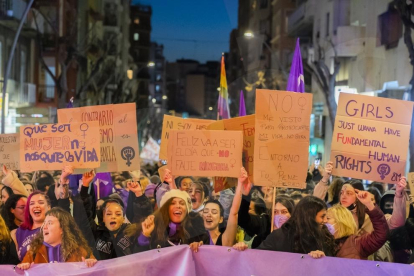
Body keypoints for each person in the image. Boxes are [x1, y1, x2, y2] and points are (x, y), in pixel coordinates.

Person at [234, 196, 336, 256]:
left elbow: (332, 267)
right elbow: (257, 257)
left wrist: (321, 258)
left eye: (283, 212)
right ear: (309, 217)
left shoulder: (326, 236)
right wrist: (242, 250)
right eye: (322, 216)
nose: (325, 220)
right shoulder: (279, 236)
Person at [313, 190, 388, 260]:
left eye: (328, 218)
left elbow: (381, 235)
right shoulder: (320, 242)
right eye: (324, 218)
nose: (324, 221)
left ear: (342, 221)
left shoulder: (357, 243)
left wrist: (369, 204)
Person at [16, 207, 97, 270]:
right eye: (44, 223)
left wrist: (92, 265)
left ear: (62, 228)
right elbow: (20, 272)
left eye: (49, 223)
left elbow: (99, 271)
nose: (44, 227)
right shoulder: (33, 251)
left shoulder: (80, 252)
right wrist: (22, 268)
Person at [128, 189, 209, 251]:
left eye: (182, 203)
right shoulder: (153, 228)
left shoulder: (196, 233)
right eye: (172, 203)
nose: (178, 206)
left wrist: (200, 247)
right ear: (165, 209)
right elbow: (140, 261)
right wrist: (145, 236)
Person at [189, 168, 246, 251]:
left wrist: (240, 183)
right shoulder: (195, 238)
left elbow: (234, 213)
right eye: (206, 211)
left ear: (221, 219)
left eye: (214, 212)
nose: (209, 214)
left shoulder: (226, 240)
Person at [11, 190, 51, 260]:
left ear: (49, 207)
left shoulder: (53, 229)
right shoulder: (19, 232)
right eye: (32, 204)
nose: (36, 206)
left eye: (41, 202)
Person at [237, 180, 270, 249]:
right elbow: (242, 219)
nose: (279, 215)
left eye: (284, 212)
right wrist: (246, 197)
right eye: (275, 211)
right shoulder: (263, 221)